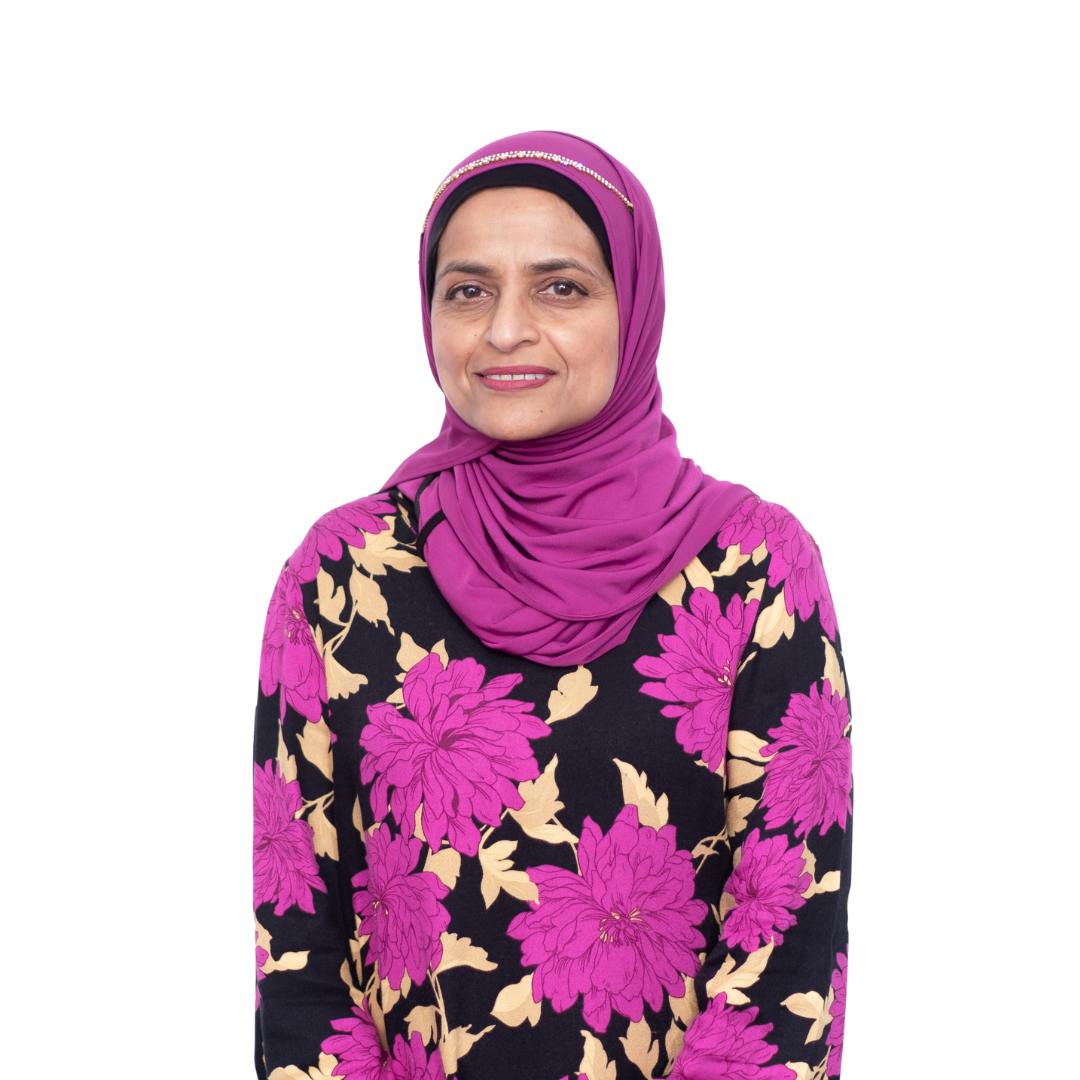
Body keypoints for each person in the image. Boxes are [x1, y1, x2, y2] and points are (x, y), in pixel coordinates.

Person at [253, 131, 852, 1080]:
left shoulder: (755, 569)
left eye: (560, 287)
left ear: (636, 307)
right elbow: (299, 954)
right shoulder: (341, 575)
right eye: (467, 290)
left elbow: (786, 949)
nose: (504, 330)